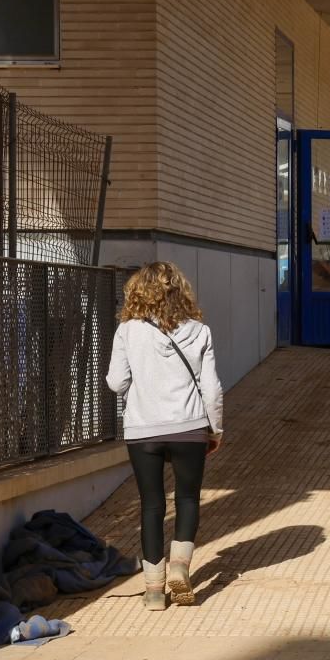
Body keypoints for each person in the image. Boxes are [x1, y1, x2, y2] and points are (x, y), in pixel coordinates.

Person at [105, 262, 224, 611]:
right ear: (180, 292)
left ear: (137, 292)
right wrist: (214, 429)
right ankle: (180, 569)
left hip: (143, 429)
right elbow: (212, 389)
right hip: (189, 427)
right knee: (187, 498)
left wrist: (138, 382)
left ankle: (155, 590)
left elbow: (115, 382)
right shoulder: (200, 332)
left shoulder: (127, 331)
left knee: (152, 504)